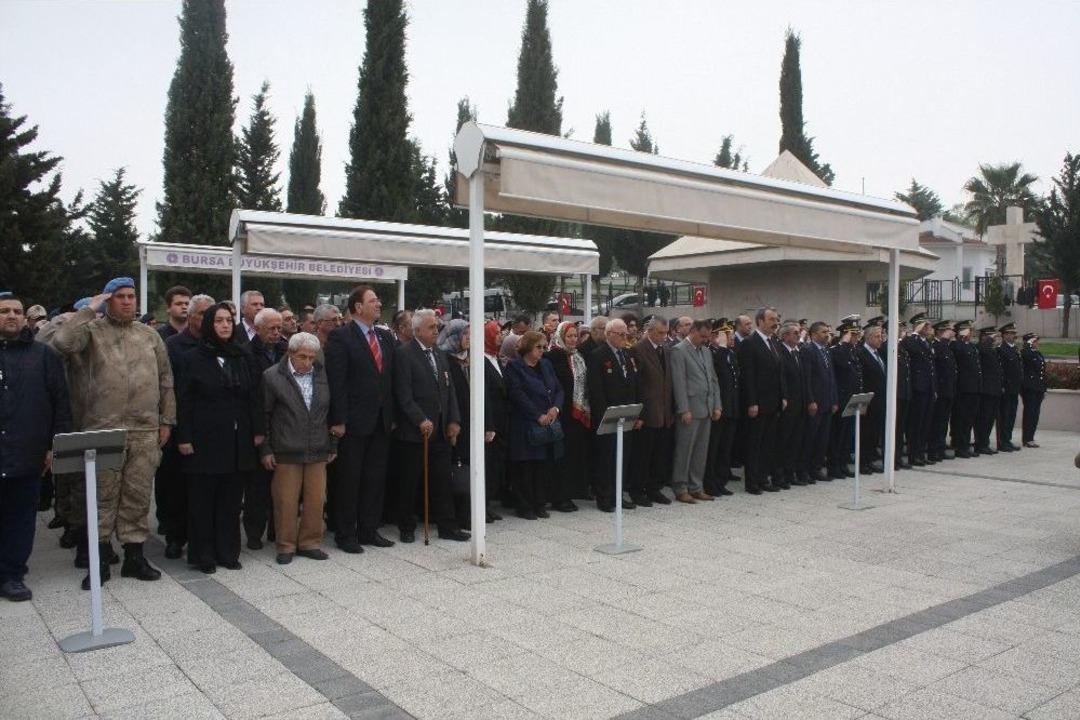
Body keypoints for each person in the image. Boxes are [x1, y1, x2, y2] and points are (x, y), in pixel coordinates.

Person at [54, 277, 174, 590]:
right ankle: (100, 559)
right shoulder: (91, 332)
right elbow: (61, 343)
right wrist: (88, 310)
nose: (127, 301)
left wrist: (167, 420)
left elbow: (165, 379)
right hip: (103, 428)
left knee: (138, 495)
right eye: (120, 296)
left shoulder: (149, 335)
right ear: (108, 300)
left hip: (144, 428)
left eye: (131, 296)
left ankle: (135, 556)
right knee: (102, 497)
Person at [177, 303, 263, 574]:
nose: (225, 325)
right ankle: (204, 555)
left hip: (237, 440)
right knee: (203, 500)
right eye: (219, 321)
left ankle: (228, 552)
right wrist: (184, 436)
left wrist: (258, 431)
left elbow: (254, 396)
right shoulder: (193, 357)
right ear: (208, 325)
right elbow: (184, 401)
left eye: (228, 320)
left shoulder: (242, 355)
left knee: (230, 500)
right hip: (205, 440)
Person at [0, 292, 72, 601]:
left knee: (20, 518)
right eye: (4, 311)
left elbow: (61, 403)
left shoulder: (43, 356)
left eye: (17, 311)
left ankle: (12, 573)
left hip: (27, 453)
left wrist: (55, 446)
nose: (12, 315)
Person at [325, 286, 397, 552]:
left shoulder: (384, 336)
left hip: (381, 421)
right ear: (358, 307)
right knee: (349, 480)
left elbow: (389, 379)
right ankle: (345, 534)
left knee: (374, 479)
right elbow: (337, 381)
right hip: (353, 423)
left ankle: (369, 529)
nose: (378, 305)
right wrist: (339, 420)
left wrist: (392, 415)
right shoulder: (341, 337)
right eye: (373, 301)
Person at [392, 309, 469, 542]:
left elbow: (449, 389)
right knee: (410, 480)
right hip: (415, 431)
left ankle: (447, 526)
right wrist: (419, 419)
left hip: (440, 429)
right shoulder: (404, 354)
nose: (436, 331)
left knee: (442, 480)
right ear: (417, 330)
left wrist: (453, 419)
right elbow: (403, 394)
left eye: (437, 327)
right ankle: (406, 526)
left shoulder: (440, 354)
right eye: (431, 327)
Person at [261, 332, 334, 565]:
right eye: (303, 357)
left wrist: (333, 443)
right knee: (286, 500)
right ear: (290, 353)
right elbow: (264, 415)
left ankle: (310, 542)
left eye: (312, 357)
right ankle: (286, 545)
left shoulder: (322, 374)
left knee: (316, 499)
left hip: (318, 447)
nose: (308, 362)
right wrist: (266, 449)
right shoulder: (272, 376)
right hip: (286, 449)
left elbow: (330, 411)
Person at [157, 294, 215, 560]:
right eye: (202, 314)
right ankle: (175, 536)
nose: (207, 319)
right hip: (180, 424)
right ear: (190, 316)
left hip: (209, 428)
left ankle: (202, 537)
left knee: (203, 489)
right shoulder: (173, 345)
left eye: (210, 314)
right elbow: (167, 387)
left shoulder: (219, 345)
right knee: (175, 487)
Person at [506, 331, 564, 519]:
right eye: (538, 347)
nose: (542, 350)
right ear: (528, 347)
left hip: (547, 422)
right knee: (525, 466)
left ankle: (540, 503)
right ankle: (524, 506)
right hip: (525, 422)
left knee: (541, 465)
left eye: (544, 347)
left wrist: (555, 408)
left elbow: (558, 389)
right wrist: (537, 415)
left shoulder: (546, 364)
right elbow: (517, 394)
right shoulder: (515, 367)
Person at [587, 318, 642, 512]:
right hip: (608, 416)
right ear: (609, 334)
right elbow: (596, 389)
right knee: (606, 458)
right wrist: (604, 415)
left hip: (626, 415)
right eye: (621, 334)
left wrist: (637, 413)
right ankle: (604, 497)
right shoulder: (598, 355)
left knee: (623, 457)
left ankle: (618, 495)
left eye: (626, 334)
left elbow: (634, 383)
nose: (625, 337)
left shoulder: (627, 353)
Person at [244, 307, 286, 549]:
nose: (277, 332)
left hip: (283, 425)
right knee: (257, 487)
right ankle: (253, 533)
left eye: (279, 328)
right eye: (272, 328)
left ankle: (275, 530)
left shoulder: (285, 350)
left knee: (280, 486)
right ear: (258, 328)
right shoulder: (247, 353)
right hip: (259, 423)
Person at [669, 319, 722, 503]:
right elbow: (679, 382)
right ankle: (680, 488)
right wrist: (684, 409)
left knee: (700, 451)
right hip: (690, 408)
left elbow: (713, 379)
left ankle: (696, 487)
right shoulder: (679, 351)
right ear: (692, 331)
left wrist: (717, 405)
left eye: (707, 337)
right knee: (684, 450)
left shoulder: (706, 351)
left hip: (706, 407)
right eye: (702, 336)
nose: (705, 340)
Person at [738, 308, 785, 494]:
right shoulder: (750, 343)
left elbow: (779, 373)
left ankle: (763, 478)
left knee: (768, 444)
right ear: (760, 321)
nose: (775, 323)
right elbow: (748, 375)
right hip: (758, 403)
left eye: (776, 319)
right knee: (754, 444)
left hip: (773, 402)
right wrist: (752, 402)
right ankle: (752, 482)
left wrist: (783, 396)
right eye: (771, 319)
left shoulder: (773, 342)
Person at [628, 316, 674, 505]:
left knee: (659, 455)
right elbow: (637, 384)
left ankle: (654, 489)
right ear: (650, 331)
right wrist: (639, 414)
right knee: (642, 456)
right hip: (647, 412)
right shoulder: (638, 349)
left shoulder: (666, 350)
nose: (664, 337)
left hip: (664, 411)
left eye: (666, 333)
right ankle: (637, 491)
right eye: (660, 333)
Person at [545, 321, 591, 509]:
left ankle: (571, 492)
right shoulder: (552, 356)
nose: (572, 340)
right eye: (569, 336)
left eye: (575, 336)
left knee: (573, 455)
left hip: (577, 414)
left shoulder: (578, 356)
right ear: (561, 336)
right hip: (561, 413)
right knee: (560, 456)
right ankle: (558, 496)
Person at [438, 319, 472, 527]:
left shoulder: (470, 359)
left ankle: (467, 514)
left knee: (467, 468)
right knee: (454, 469)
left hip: (470, 423)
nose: (468, 339)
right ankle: (452, 516)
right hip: (453, 423)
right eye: (465, 334)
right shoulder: (444, 359)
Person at [799, 321, 836, 484]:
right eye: (823, 332)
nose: (827, 335)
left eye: (827, 332)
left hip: (827, 402)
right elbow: (806, 379)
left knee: (823, 439)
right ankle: (804, 470)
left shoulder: (826, 351)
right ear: (813, 334)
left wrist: (834, 400)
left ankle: (816, 468)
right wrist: (811, 400)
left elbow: (831, 378)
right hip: (815, 402)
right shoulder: (808, 350)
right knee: (810, 438)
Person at [705, 320, 739, 495]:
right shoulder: (711, 353)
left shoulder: (729, 353)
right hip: (718, 407)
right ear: (714, 336)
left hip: (731, 407)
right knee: (714, 448)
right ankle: (710, 482)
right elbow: (719, 375)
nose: (730, 338)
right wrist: (723, 348)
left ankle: (721, 480)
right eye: (726, 334)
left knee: (726, 447)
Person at [776, 321, 811, 484]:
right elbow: (782, 378)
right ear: (785, 336)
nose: (799, 335)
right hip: (788, 405)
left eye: (799, 332)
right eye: (795, 333)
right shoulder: (780, 352)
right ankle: (779, 474)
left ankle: (790, 473)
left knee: (796, 441)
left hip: (800, 405)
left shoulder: (797, 352)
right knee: (783, 441)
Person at [828, 321, 862, 480]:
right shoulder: (837, 350)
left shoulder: (852, 351)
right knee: (838, 434)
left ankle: (843, 464)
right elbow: (841, 364)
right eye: (853, 334)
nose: (856, 338)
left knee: (847, 434)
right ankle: (834, 466)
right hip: (841, 399)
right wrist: (845, 343)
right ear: (845, 335)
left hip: (852, 398)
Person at [901, 314, 936, 467]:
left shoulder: (927, 342)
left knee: (925, 423)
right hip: (918, 388)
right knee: (916, 423)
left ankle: (921, 453)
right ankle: (913, 454)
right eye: (926, 326)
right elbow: (908, 347)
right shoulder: (911, 341)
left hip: (928, 387)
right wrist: (915, 333)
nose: (929, 329)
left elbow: (931, 367)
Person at [482, 321, 508, 520]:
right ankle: (482, 505)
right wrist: (487, 424)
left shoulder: (496, 358)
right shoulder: (481, 360)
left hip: (502, 419)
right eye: (496, 333)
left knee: (495, 463)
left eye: (501, 332)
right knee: (487, 463)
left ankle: (489, 502)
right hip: (490, 420)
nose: (500, 336)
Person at [856, 324, 886, 475]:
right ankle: (862, 462)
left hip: (879, 399)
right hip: (868, 400)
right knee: (866, 432)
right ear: (868, 338)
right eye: (877, 336)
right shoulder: (861, 353)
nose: (880, 339)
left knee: (874, 432)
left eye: (881, 336)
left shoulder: (878, 353)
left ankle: (870, 460)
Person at [950, 321, 981, 458]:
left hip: (973, 388)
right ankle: (960, 446)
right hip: (963, 388)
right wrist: (960, 337)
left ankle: (965, 444)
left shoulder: (971, 346)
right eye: (968, 330)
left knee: (969, 419)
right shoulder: (957, 345)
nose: (971, 332)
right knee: (961, 419)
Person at [929, 320, 957, 462]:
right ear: (939, 332)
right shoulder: (936, 345)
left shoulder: (946, 346)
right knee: (937, 422)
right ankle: (934, 450)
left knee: (944, 422)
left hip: (948, 389)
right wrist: (944, 339)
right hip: (940, 390)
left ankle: (940, 448)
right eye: (944, 331)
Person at [974, 326, 1002, 455]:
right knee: (983, 418)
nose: (993, 339)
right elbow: (982, 350)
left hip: (994, 389)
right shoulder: (980, 348)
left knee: (990, 418)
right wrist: (989, 340)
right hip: (985, 390)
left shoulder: (991, 349)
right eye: (990, 336)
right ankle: (981, 444)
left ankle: (985, 442)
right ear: (983, 337)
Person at [996, 323, 1022, 452]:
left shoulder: (1014, 349)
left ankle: (1008, 439)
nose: (1013, 335)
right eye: (1010, 333)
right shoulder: (1001, 349)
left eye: (1014, 333)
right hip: (1006, 388)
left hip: (1014, 388)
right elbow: (1001, 370)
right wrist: (1002, 385)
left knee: (1011, 415)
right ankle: (1002, 442)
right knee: (1004, 416)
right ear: (1004, 335)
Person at [1020, 332, 1046, 448]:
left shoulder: (1037, 353)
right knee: (1029, 413)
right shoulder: (1026, 353)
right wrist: (1028, 346)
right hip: (1029, 388)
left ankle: (1031, 437)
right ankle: (1027, 439)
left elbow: (1042, 372)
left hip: (1038, 388)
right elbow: (1026, 357)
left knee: (1035, 414)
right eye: (1034, 341)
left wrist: (1043, 387)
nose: (1037, 343)